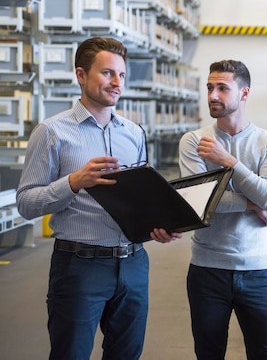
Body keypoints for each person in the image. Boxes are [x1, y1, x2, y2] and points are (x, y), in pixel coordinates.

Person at [16, 36, 180, 360]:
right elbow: (26, 203)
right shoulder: (52, 132)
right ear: (81, 75)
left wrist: (157, 226)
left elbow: (140, 199)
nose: (116, 82)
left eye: (121, 75)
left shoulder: (133, 134)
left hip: (133, 265)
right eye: (107, 73)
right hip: (80, 267)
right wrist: (73, 182)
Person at [153, 59, 267, 359]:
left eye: (222, 88)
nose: (213, 95)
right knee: (209, 354)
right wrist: (252, 203)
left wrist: (229, 162)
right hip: (207, 270)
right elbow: (196, 202)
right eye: (210, 87)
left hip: (258, 270)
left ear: (244, 93)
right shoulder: (194, 141)